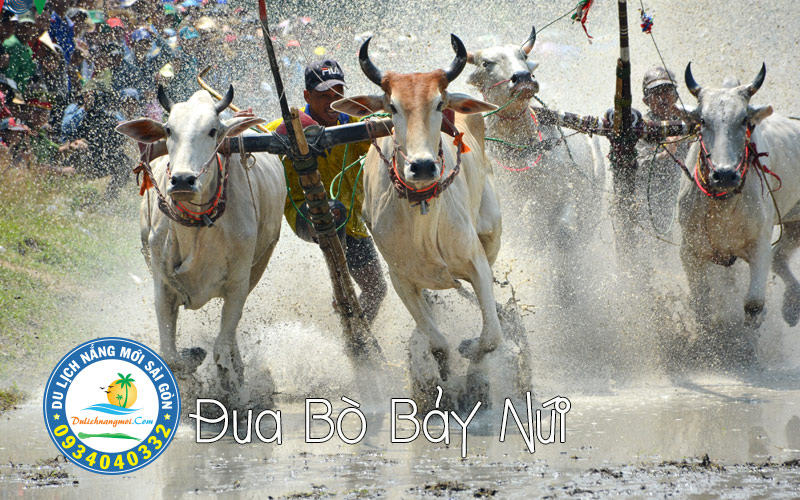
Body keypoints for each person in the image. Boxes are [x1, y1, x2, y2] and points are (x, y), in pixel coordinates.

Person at [264, 59, 387, 323]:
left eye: (338, 94)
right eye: (323, 96)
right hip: (304, 213)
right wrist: (242, 127)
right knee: (333, 211)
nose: (332, 102)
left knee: (377, 290)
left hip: (352, 223)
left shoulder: (358, 122)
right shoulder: (284, 128)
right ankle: (341, 291)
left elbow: (390, 133)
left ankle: (356, 333)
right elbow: (250, 140)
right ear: (307, 96)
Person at [636, 66, 689, 232]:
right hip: (652, 200)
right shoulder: (639, 128)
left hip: (686, 196)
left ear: (676, 96)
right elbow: (637, 166)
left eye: (667, 91)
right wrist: (663, 155)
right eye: (656, 93)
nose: (662, 98)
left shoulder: (690, 123)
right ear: (646, 101)